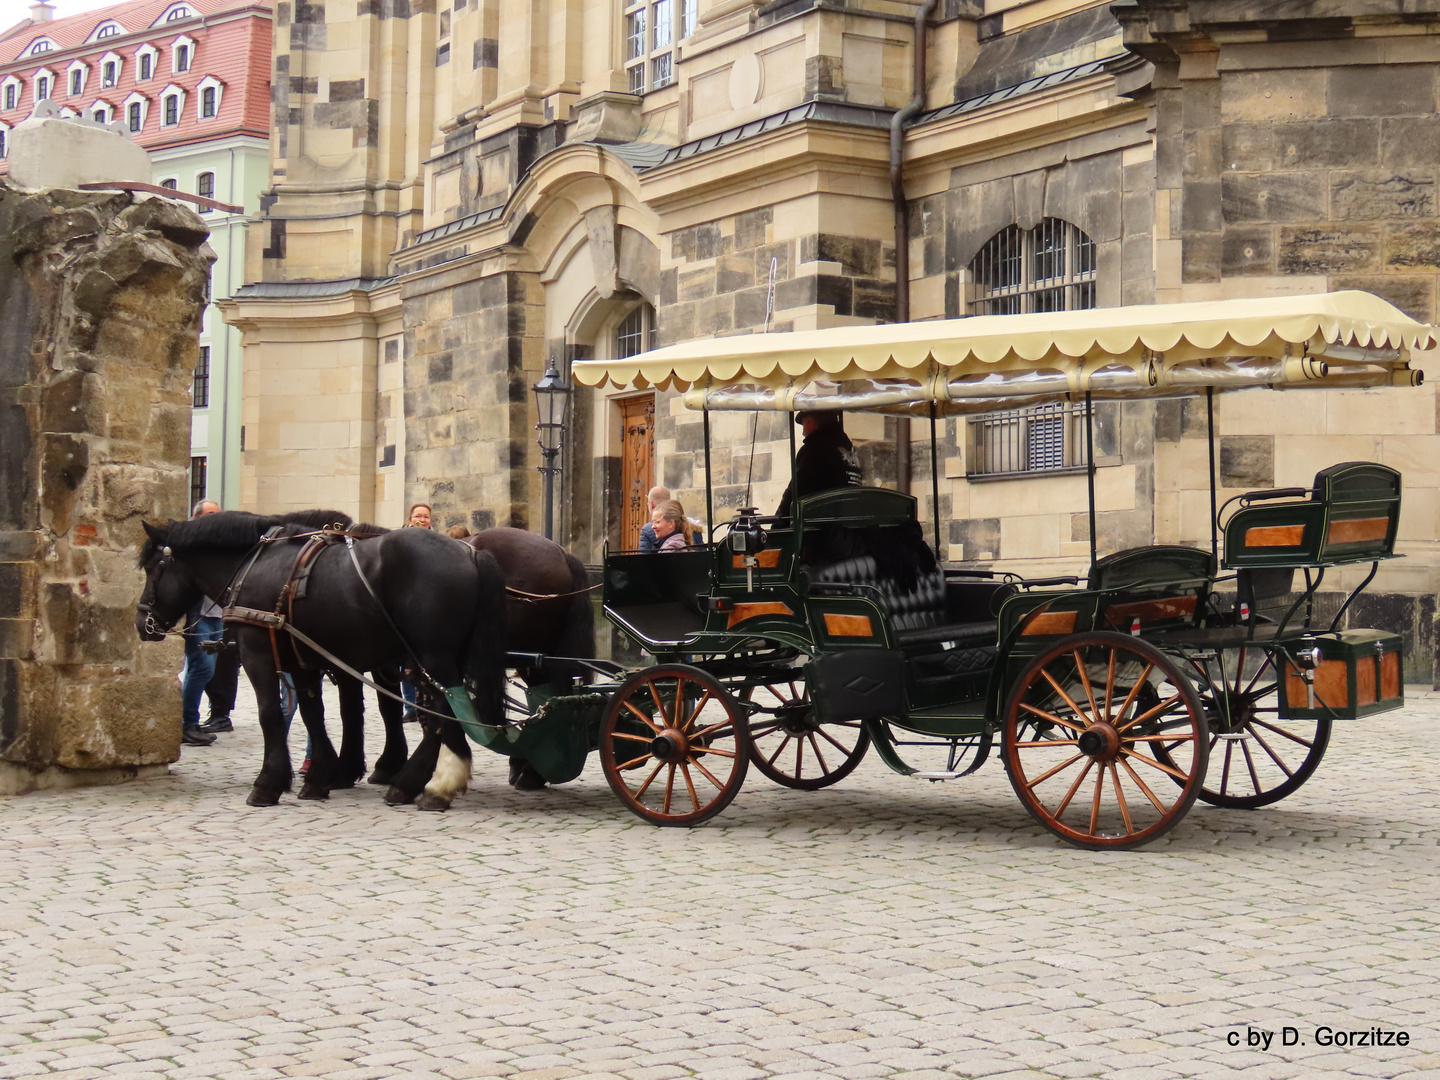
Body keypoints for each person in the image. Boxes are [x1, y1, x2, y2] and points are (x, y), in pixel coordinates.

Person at [179, 499, 223, 746]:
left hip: (217, 617)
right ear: (196, 518)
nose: (214, 518)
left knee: (207, 671)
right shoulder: (191, 546)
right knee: (201, 668)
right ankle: (188, 724)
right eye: (209, 514)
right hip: (199, 617)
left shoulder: (219, 545)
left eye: (217, 514)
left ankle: (188, 722)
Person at [776, 410, 862, 518]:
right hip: (850, 523)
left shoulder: (814, 449)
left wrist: (777, 524)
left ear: (812, 424)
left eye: (804, 427)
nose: (803, 433)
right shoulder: (850, 451)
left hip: (824, 527)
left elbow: (796, 490)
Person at [400, 502, 433, 720]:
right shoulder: (399, 542)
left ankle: (425, 704)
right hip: (403, 609)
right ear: (410, 519)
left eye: (426, 517)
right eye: (417, 516)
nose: (421, 520)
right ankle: (410, 707)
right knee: (405, 661)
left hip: (428, 610)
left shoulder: (437, 542)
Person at [637, 485, 669, 552]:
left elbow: (643, 559)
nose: (654, 527)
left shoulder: (647, 530)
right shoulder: (687, 525)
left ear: (651, 504)